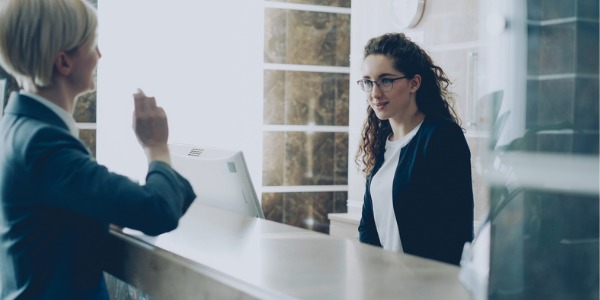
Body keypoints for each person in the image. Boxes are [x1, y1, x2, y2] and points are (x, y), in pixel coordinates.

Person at [0, 0, 196, 298]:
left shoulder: (16, 127)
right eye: (93, 45)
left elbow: (70, 198)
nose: (100, 55)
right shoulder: (43, 144)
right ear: (64, 62)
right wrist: (156, 146)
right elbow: (157, 212)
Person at [356, 32, 473, 266]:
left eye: (385, 80)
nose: (374, 93)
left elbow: (455, 227)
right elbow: (367, 226)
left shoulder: (441, 136)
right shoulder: (381, 144)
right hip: (386, 285)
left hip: (426, 284)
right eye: (368, 82)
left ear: (414, 83)